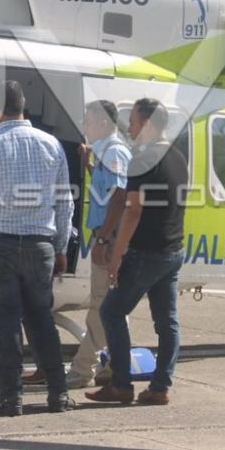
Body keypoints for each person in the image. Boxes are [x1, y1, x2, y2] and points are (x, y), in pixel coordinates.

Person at [0, 80, 76, 416]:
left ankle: (11, 397)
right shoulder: (52, 145)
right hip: (40, 244)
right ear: (24, 107)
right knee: (42, 318)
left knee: (7, 320)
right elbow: (64, 202)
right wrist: (61, 247)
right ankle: (58, 393)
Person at [86, 98, 188, 406]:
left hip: (146, 251)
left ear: (148, 124)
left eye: (133, 122)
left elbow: (132, 211)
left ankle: (121, 384)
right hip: (172, 249)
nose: (128, 128)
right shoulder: (178, 157)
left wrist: (116, 255)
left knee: (111, 311)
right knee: (167, 321)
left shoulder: (142, 160)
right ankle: (160, 386)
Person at [68, 100, 132, 389]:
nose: (86, 126)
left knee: (100, 305)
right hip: (108, 234)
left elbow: (119, 196)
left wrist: (105, 239)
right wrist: (89, 166)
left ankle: (83, 370)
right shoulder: (106, 152)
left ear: (105, 123)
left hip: (110, 236)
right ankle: (117, 365)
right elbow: (108, 188)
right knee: (112, 307)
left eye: (89, 121)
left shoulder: (114, 151)